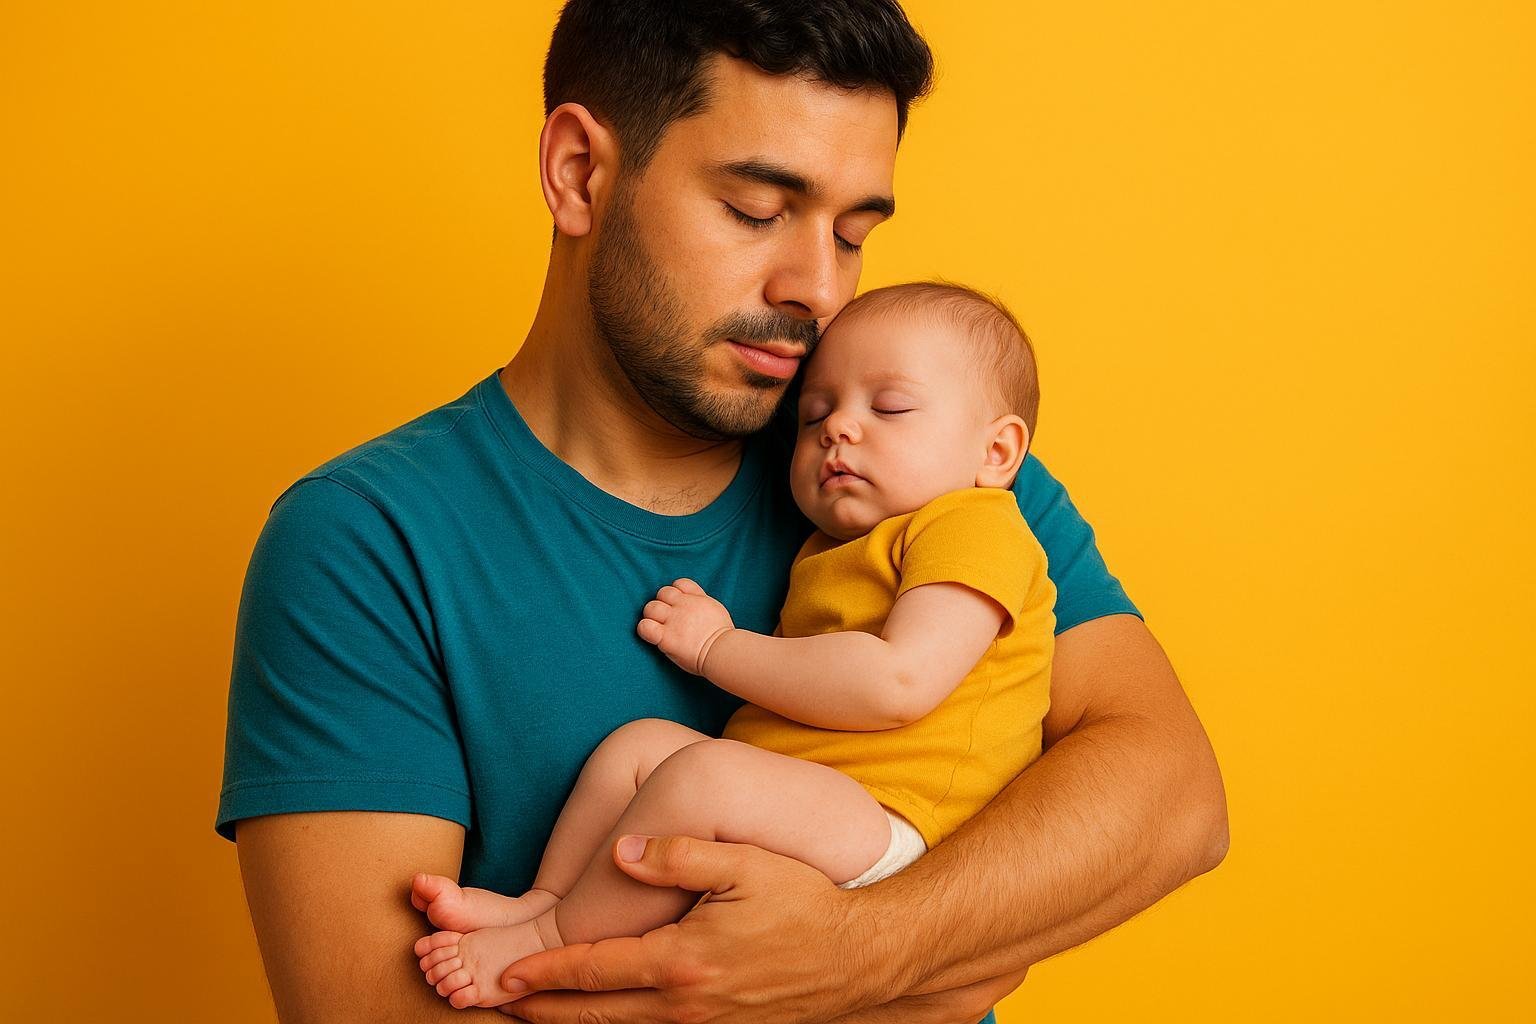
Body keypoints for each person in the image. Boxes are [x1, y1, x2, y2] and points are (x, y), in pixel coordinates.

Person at [217, 3, 1229, 1023]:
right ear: (579, 172)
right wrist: (947, 950)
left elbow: (1173, 796)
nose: (819, 289)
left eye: (853, 234)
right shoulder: (364, 542)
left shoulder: (920, 467)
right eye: (756, 210)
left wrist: (864, 951)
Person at [408, 281, 1055, 1011]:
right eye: (814, 415)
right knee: (642, 748)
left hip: (901, 821)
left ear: (997, 451)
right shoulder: (834, 546)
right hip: (826, 796)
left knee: (704, 779)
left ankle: (547, 941)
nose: (839, 429)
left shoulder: (975, 524)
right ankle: (549, 898)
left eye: (891, 408)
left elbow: (897, 683)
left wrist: (718, 646)